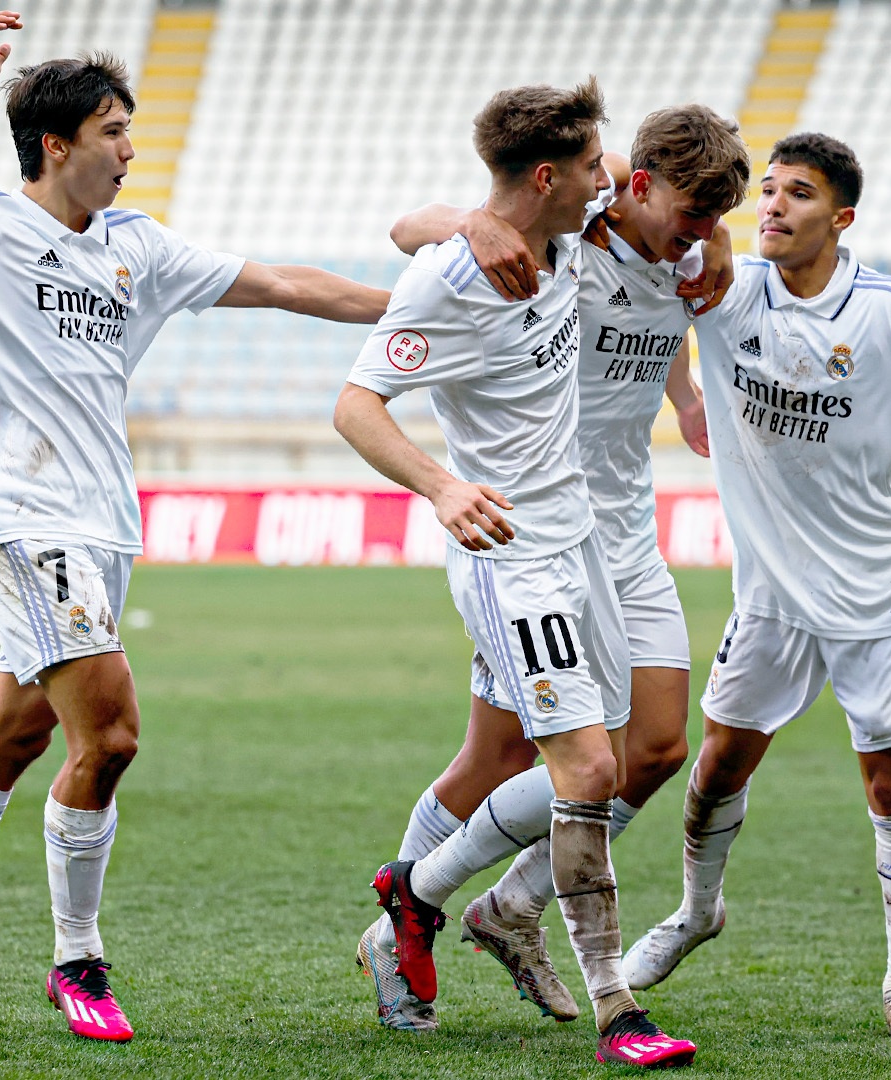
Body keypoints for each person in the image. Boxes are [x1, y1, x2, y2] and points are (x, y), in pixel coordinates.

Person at [0, 12, 388, 1041]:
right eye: (113, 130)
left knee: (18, 733)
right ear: (57, 144)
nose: (130, 149)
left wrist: (424, 308)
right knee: (109, 736)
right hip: (23, 510)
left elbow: (285, 284)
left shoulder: (136, 247)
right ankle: (80, 961)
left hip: (103, 521)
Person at [626, 133, 891, 1041]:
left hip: (879, 597)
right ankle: (695, 913)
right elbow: (641, 236)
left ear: (841, 217)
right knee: (720, 761)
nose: (772, 207)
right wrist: (688, 395)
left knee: (890, 786)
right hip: (771, 600)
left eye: (797, 194)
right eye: (765, 191)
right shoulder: (723, 287)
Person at [335, 78, 696, 1068]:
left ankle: (411, 900)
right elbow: (358, 409)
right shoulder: (450, 281)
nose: (607, 185)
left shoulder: (563, 227)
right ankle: (621, 1011)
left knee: (584, 757)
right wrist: (441, 486)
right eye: (590, 171)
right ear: (549, 177)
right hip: (511, 560)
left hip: (578, 541)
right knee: (587, 773)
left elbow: (650, 178)